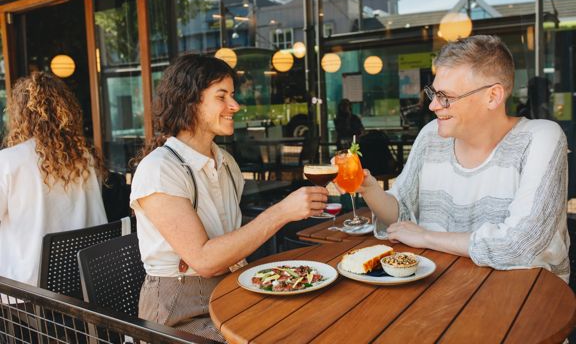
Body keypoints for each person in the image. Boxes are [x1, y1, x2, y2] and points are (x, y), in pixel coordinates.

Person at [129, 54, 327, 341]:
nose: (235, 106)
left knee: (307, 320)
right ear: (189, 101)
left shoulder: (226, 162)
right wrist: (281, 212)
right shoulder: (160, 169)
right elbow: (205, 260)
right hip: (178, 312)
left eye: (232, 96)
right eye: (222, 97)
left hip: (231, 289)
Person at [359, 35, 570, 282]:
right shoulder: (431, 136)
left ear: (492, 96)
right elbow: (402, 219)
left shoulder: (540, 138)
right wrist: (369, 189)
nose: (433, 106)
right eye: (433, 93)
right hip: (442, 284)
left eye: (445, 97)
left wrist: (426, 237)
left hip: (524, 294)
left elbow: (519, 245)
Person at [0, 72, 107, 287]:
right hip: (82, 282)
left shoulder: (9, 161)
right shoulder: (84, 156)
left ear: (20, 114)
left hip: (27, 290)